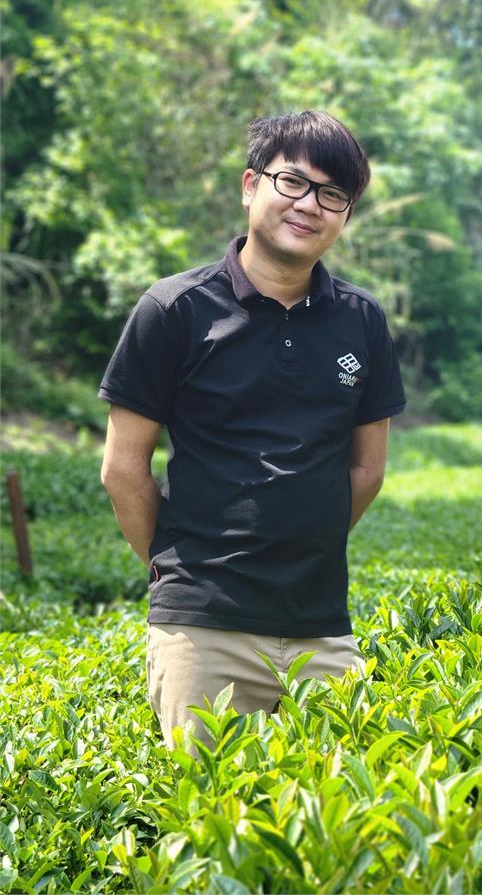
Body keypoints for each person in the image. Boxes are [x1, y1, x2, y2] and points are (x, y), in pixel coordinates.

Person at [99, 110, 406, 748]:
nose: (309, 206)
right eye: (292, 182)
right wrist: (178, 569)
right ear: (249, 186)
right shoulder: (174, 309)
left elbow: (368, 470)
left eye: (333, 195)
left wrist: (301, 541)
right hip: (204, 633)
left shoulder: (361, 320)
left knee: (342, 824)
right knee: (209, 824)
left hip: (322, 629)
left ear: (345, 215)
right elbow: (124, 468)